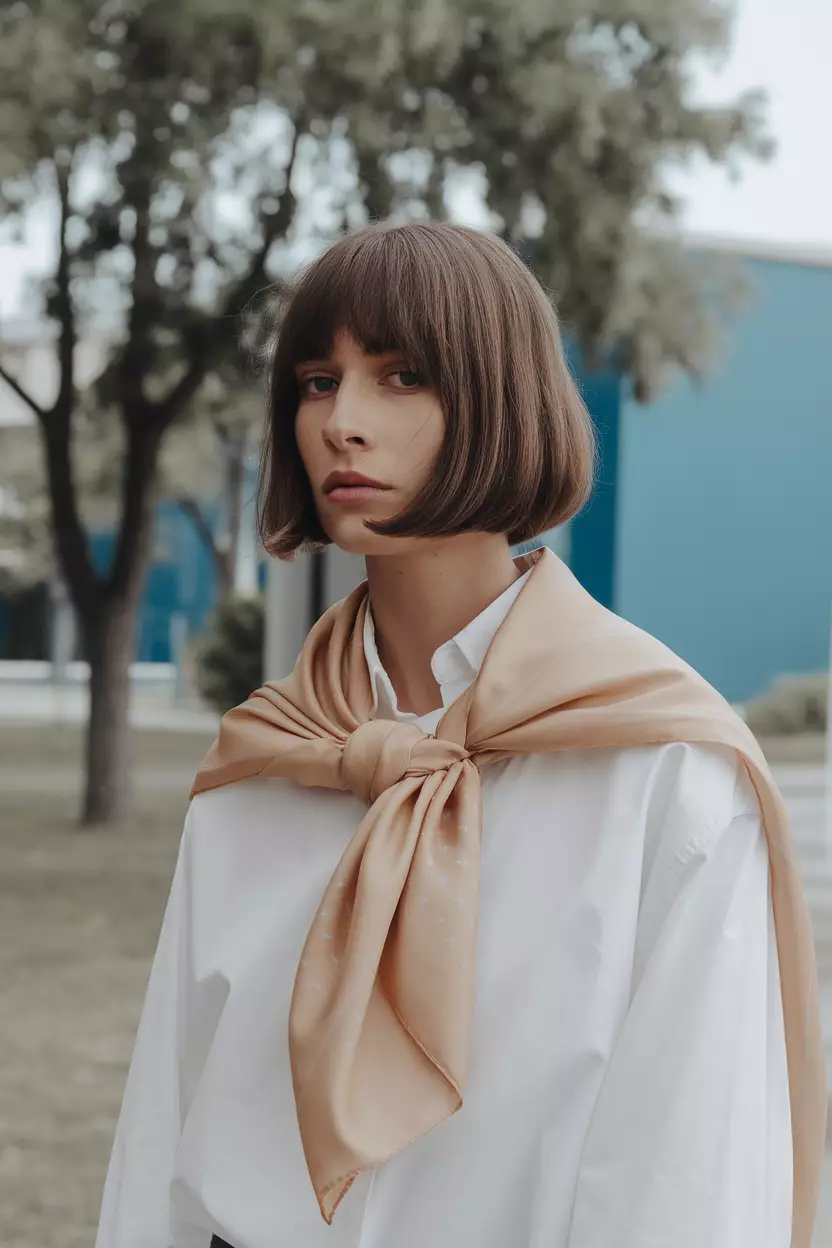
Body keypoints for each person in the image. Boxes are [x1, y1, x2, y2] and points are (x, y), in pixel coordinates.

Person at [95, 221, 825, 1248]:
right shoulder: (267, 758)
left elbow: (688, 1181)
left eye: (402, 377)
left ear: (501, 400)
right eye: (316, 379)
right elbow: (165, 1120)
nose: (343, 421)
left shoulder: (665, 770)